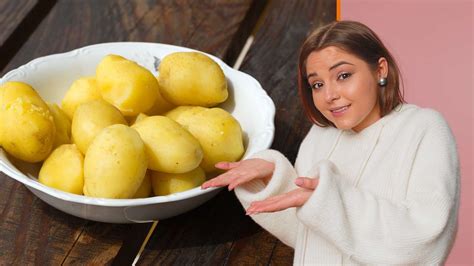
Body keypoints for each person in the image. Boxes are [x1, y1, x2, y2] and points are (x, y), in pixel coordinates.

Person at [201, 20, 459, 265]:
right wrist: (272, 177)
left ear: (380, 70)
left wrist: (328, 198)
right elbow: (305, 237)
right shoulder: (320, 137)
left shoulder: (424, 127)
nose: (329, 95)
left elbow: (425, 242)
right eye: (317, 84)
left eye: (344, 75)